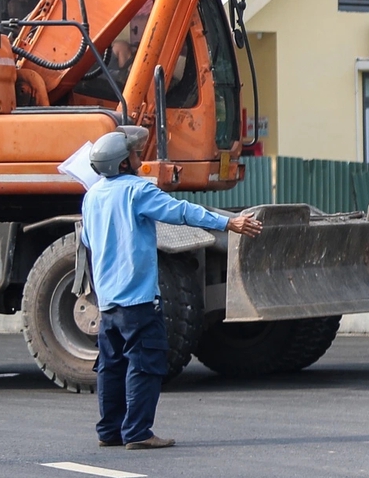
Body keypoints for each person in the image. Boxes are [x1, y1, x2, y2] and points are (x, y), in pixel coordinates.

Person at [81, 129, 263, 450]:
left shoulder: (92, 196)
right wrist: (228, 223)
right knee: (146, 362)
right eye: (135, 154)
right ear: (124, 163)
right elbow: (181, 212)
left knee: (111, 365)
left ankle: (109, 430)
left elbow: (87, 241)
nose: (140, 157)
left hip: (107, 302)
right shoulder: (137, 191)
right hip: (137, 299)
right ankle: (138, 432)